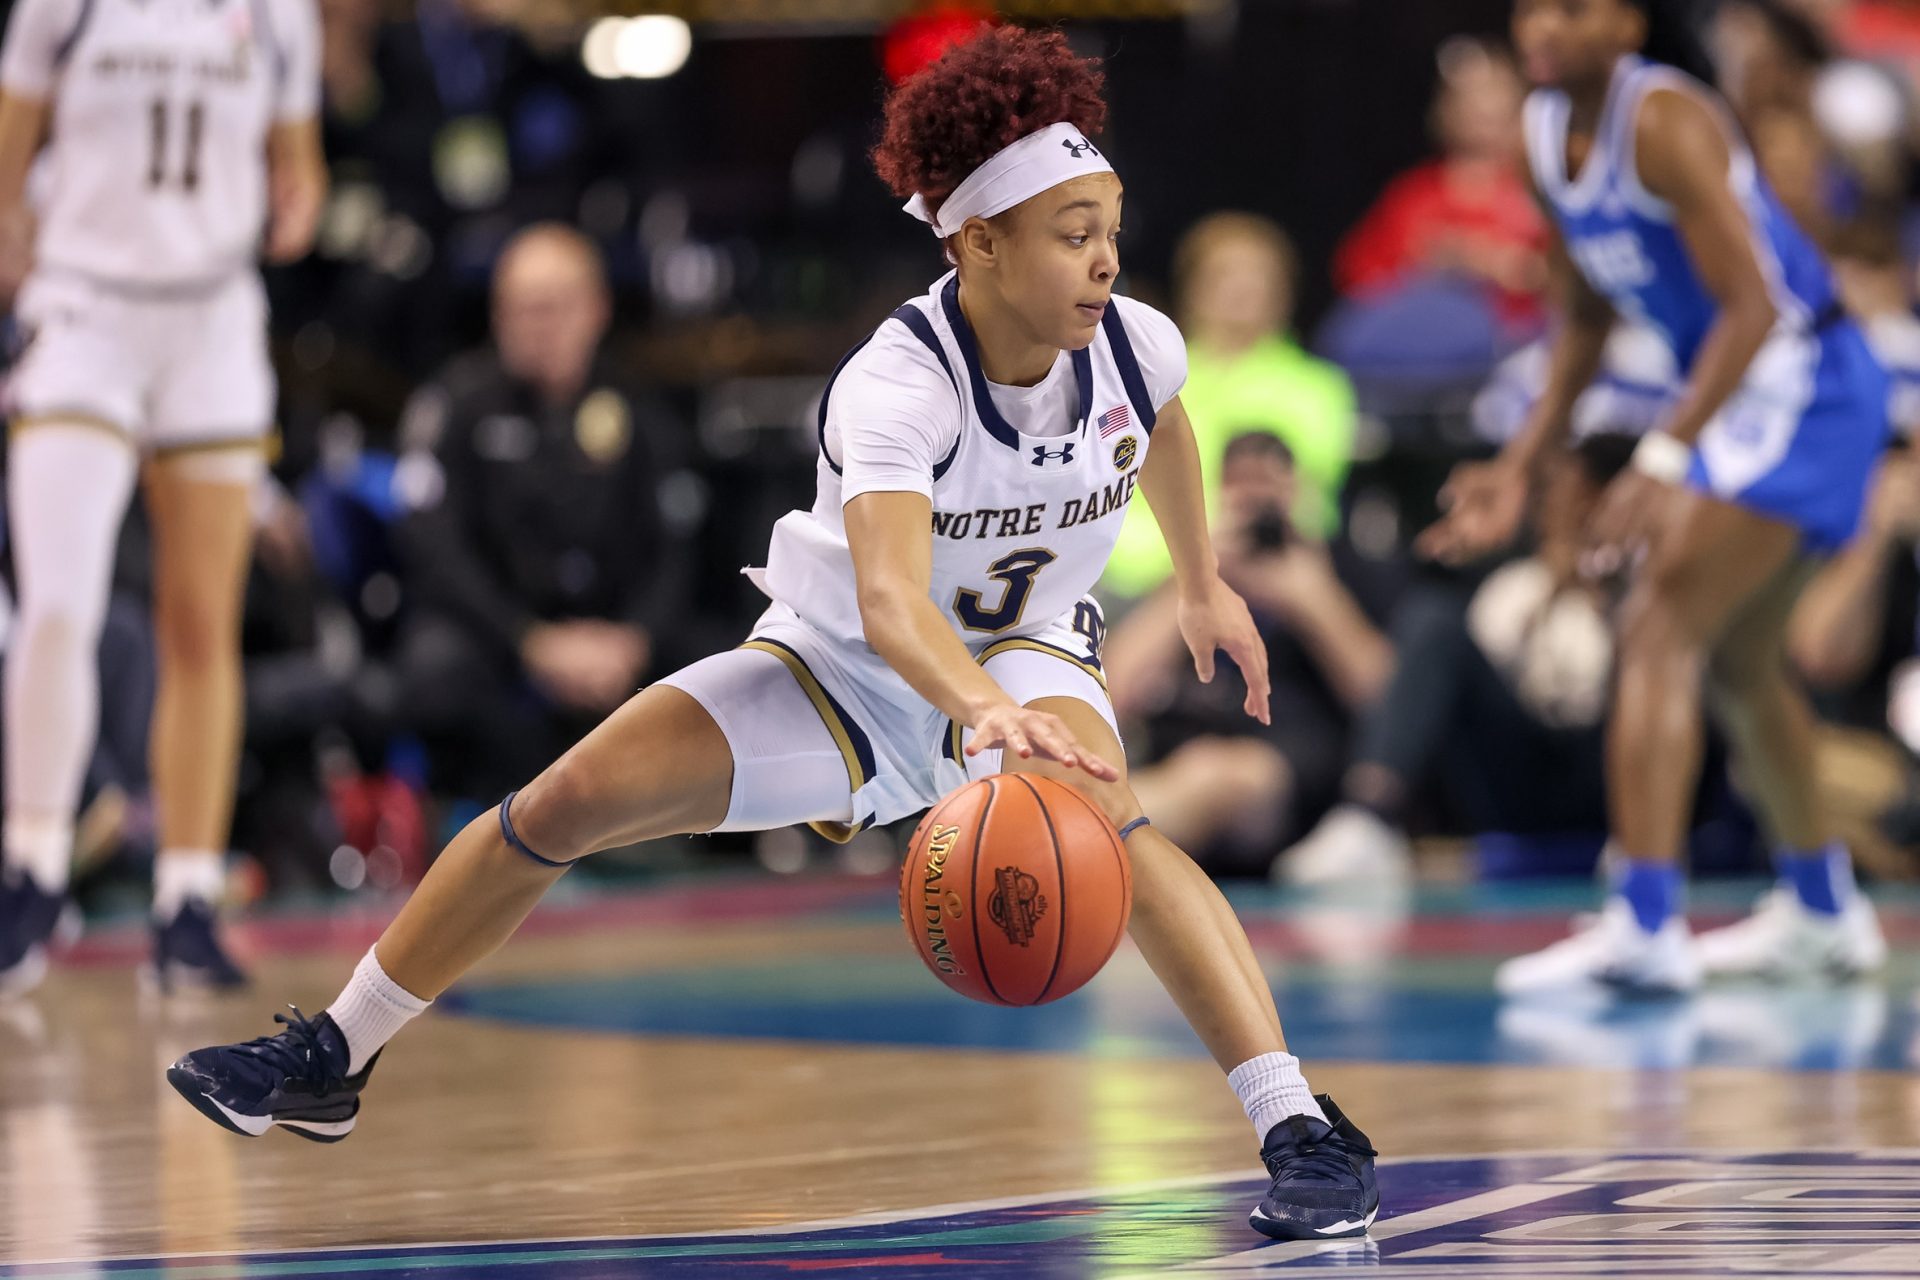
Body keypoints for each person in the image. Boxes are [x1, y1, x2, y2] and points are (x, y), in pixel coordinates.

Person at [163, 29, 1380, 1242]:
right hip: (846, 659)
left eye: (1111, 225)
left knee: (1116, 822)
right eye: (1074, 233)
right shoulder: (899, 383)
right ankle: (336, 1052)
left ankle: (1302, 1130)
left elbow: (1160, 425)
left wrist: (1206, 581)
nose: (1106, 260)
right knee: (562, 799)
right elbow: (896, 603)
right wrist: (970, 712)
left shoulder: (1134, 339)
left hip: (1023, 649)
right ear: (979, 241)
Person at [1423, 0, 1887, 995]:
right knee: (1743, 663)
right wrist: (1520, 462)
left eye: (1575, 7)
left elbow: (1757, 305)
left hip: (1806, 381)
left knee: (1657, 623)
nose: (1544, 23)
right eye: (1534, 5)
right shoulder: (1546, 131)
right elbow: (1584, 315)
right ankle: (1822, 909)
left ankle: (1645, 921)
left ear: (1628, 28)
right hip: (1739, 391)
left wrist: (1665, 457)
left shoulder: (1666, 120)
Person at [0, 0, 326, 994]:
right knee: (58, 602)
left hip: (212, 321)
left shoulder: (278, 15)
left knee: (201, 622)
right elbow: (9, 154)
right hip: (85, 309)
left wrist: (295, 200)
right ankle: (34, 866)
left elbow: (298, 167)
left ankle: (186, 897)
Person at [392, 223, 692, 798]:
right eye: (520, 309)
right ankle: (478, 823)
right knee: (434, 669)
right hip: (499, 632)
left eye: (555, 307)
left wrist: (635, 638)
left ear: (596, 309)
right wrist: (528, 641)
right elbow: (434, 549)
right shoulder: (455, 406)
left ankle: (695, 830)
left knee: (730, 658)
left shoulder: (638, 410)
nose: (539, 326)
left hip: (612, 635)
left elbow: (674, 546)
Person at [1281, 433, 1633, 886]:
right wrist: (1553, 594)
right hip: (1518, 776)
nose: (1563, 513)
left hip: (1610, 774)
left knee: (1658, 653)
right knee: (1432, 619)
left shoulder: (1652, 587)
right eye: (1557, 498)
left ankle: (1644, 841)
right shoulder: (1519, 584)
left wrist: (1600, 592)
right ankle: (1367, 820)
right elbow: (1509, 682)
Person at [1106, 432, 1395, 877]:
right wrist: (1193, 582)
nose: (1254, 503)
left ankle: (1083, 841)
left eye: (1267, 484)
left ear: (1295, 491)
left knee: (1218, 776)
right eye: (1239, 487)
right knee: (1188, 771)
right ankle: (1085, 831)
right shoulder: (1190, 579)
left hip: (1287, 766)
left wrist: (1312, 600)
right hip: (1180, 753)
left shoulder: (1338, 569)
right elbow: (1111, 693)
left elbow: (1386, 700)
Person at [1101, 212, 1355, 596]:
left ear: (1284, 291)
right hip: (1148, 577)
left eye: (1259, 276)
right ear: (1192, 287)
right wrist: (1184, 554)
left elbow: (1308, 500)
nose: (1243, 288)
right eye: (1225, 274)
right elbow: (1115, 497)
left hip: (1274, 566)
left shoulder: (1320, 386)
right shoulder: (1148, 376)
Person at [1334, 36, 1550, 332]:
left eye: (1496, 97)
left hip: (1519, 339)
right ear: (1446, 110)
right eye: (1471, 101)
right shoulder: (1414, 194)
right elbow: (1356, 274)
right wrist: (1426, 265)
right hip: (1428, 348)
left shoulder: (1544, 187)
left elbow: (1582, 278)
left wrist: (1510, 266)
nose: (1485, 111)